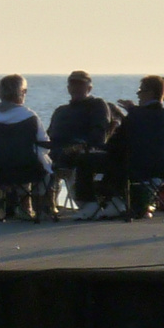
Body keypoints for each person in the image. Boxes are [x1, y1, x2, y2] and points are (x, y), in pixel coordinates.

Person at [0, 74, 51, 221]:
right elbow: (44, 143)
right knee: (42, 162)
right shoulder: (28, 115)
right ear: (22, 93)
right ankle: (34, 207)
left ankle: (15, 206)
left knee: (24, 159)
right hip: (27, 167)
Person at [107, 75, 164, 219]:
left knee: (88, 160)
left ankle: (99, 203)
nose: (138, 94)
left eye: (140, 91)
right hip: (161, 167)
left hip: (134, 166)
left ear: (149, 92)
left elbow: (117, 143)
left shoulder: (136, 116)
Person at [50, 71, 116, 220]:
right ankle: (43, 204)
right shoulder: (61, 111)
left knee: (73, 157)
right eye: (73, 84)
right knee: (36, 157)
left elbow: (99, 135)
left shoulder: (97, 105)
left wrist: (82, 146)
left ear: (89, 88)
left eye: (80, 84)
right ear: (68, 88)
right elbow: (49, 135)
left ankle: (87, 203)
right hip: (56, 150)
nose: (76, 88)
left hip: (83, 150)